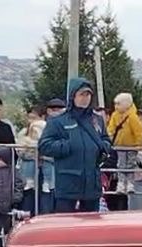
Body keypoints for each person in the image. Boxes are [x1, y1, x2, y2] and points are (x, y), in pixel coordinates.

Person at [38, 77, 112, 214]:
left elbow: (106, 139)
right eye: (82, 94)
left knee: (91, 223)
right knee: (65, 223)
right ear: (73, 96)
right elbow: (44, 145)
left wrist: (103, 148)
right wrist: (68, 146)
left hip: (92, 184)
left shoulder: (97, 120)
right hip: (68, 184)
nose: (85, 98)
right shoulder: (58, 121)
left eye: (88, 94)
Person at [107, 92, 142, 196]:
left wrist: (138, 144)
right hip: (119, 145)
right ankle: (121, 183)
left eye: (118, 104)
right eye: (115, 104)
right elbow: (111, 127)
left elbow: (138, 131)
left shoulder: (133, 117)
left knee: (131, 164)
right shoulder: (115, 115)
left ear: (126, 104)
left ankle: (130, 183)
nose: (116, 106)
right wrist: (109, 134)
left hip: (132, 146)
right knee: (121, 164)